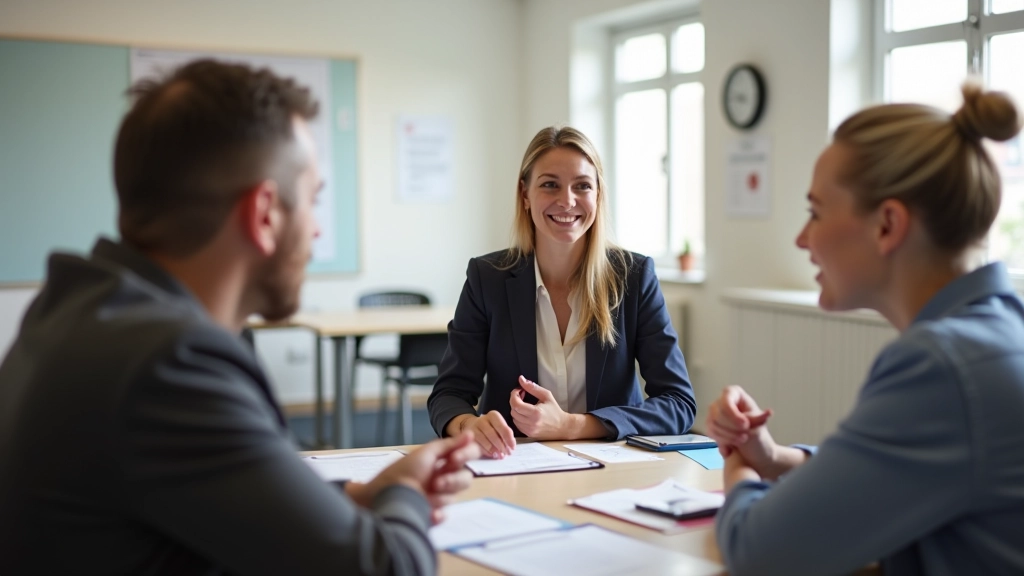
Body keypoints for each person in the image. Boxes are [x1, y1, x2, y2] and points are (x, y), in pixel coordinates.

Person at [0, 60, 479, 575]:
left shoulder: (78, 313)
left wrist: (361, 496)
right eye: (313, 200)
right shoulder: (171, 365)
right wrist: (405, 494)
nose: (317, 230)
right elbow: (386, 568)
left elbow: (211, 503)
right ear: (265, 213)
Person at [707, 83, 1024, 575]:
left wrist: (739, 471)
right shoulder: (998, 331)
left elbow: (759, 551)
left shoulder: (941, 366)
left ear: (887, 225)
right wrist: (773, 458)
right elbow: (896, 473)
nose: (802, 239)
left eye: (815, 212)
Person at [427, 125, 697, 459]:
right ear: (525, 194)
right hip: (513, 465)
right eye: (550, 185)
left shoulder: (634, 277)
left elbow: (678, 403)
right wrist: (470, 425)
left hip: (612, 468)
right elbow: (448, 394)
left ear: (598, 195)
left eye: (582, 186)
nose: (567, 201)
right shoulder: (487, 278)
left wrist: (572, 425)